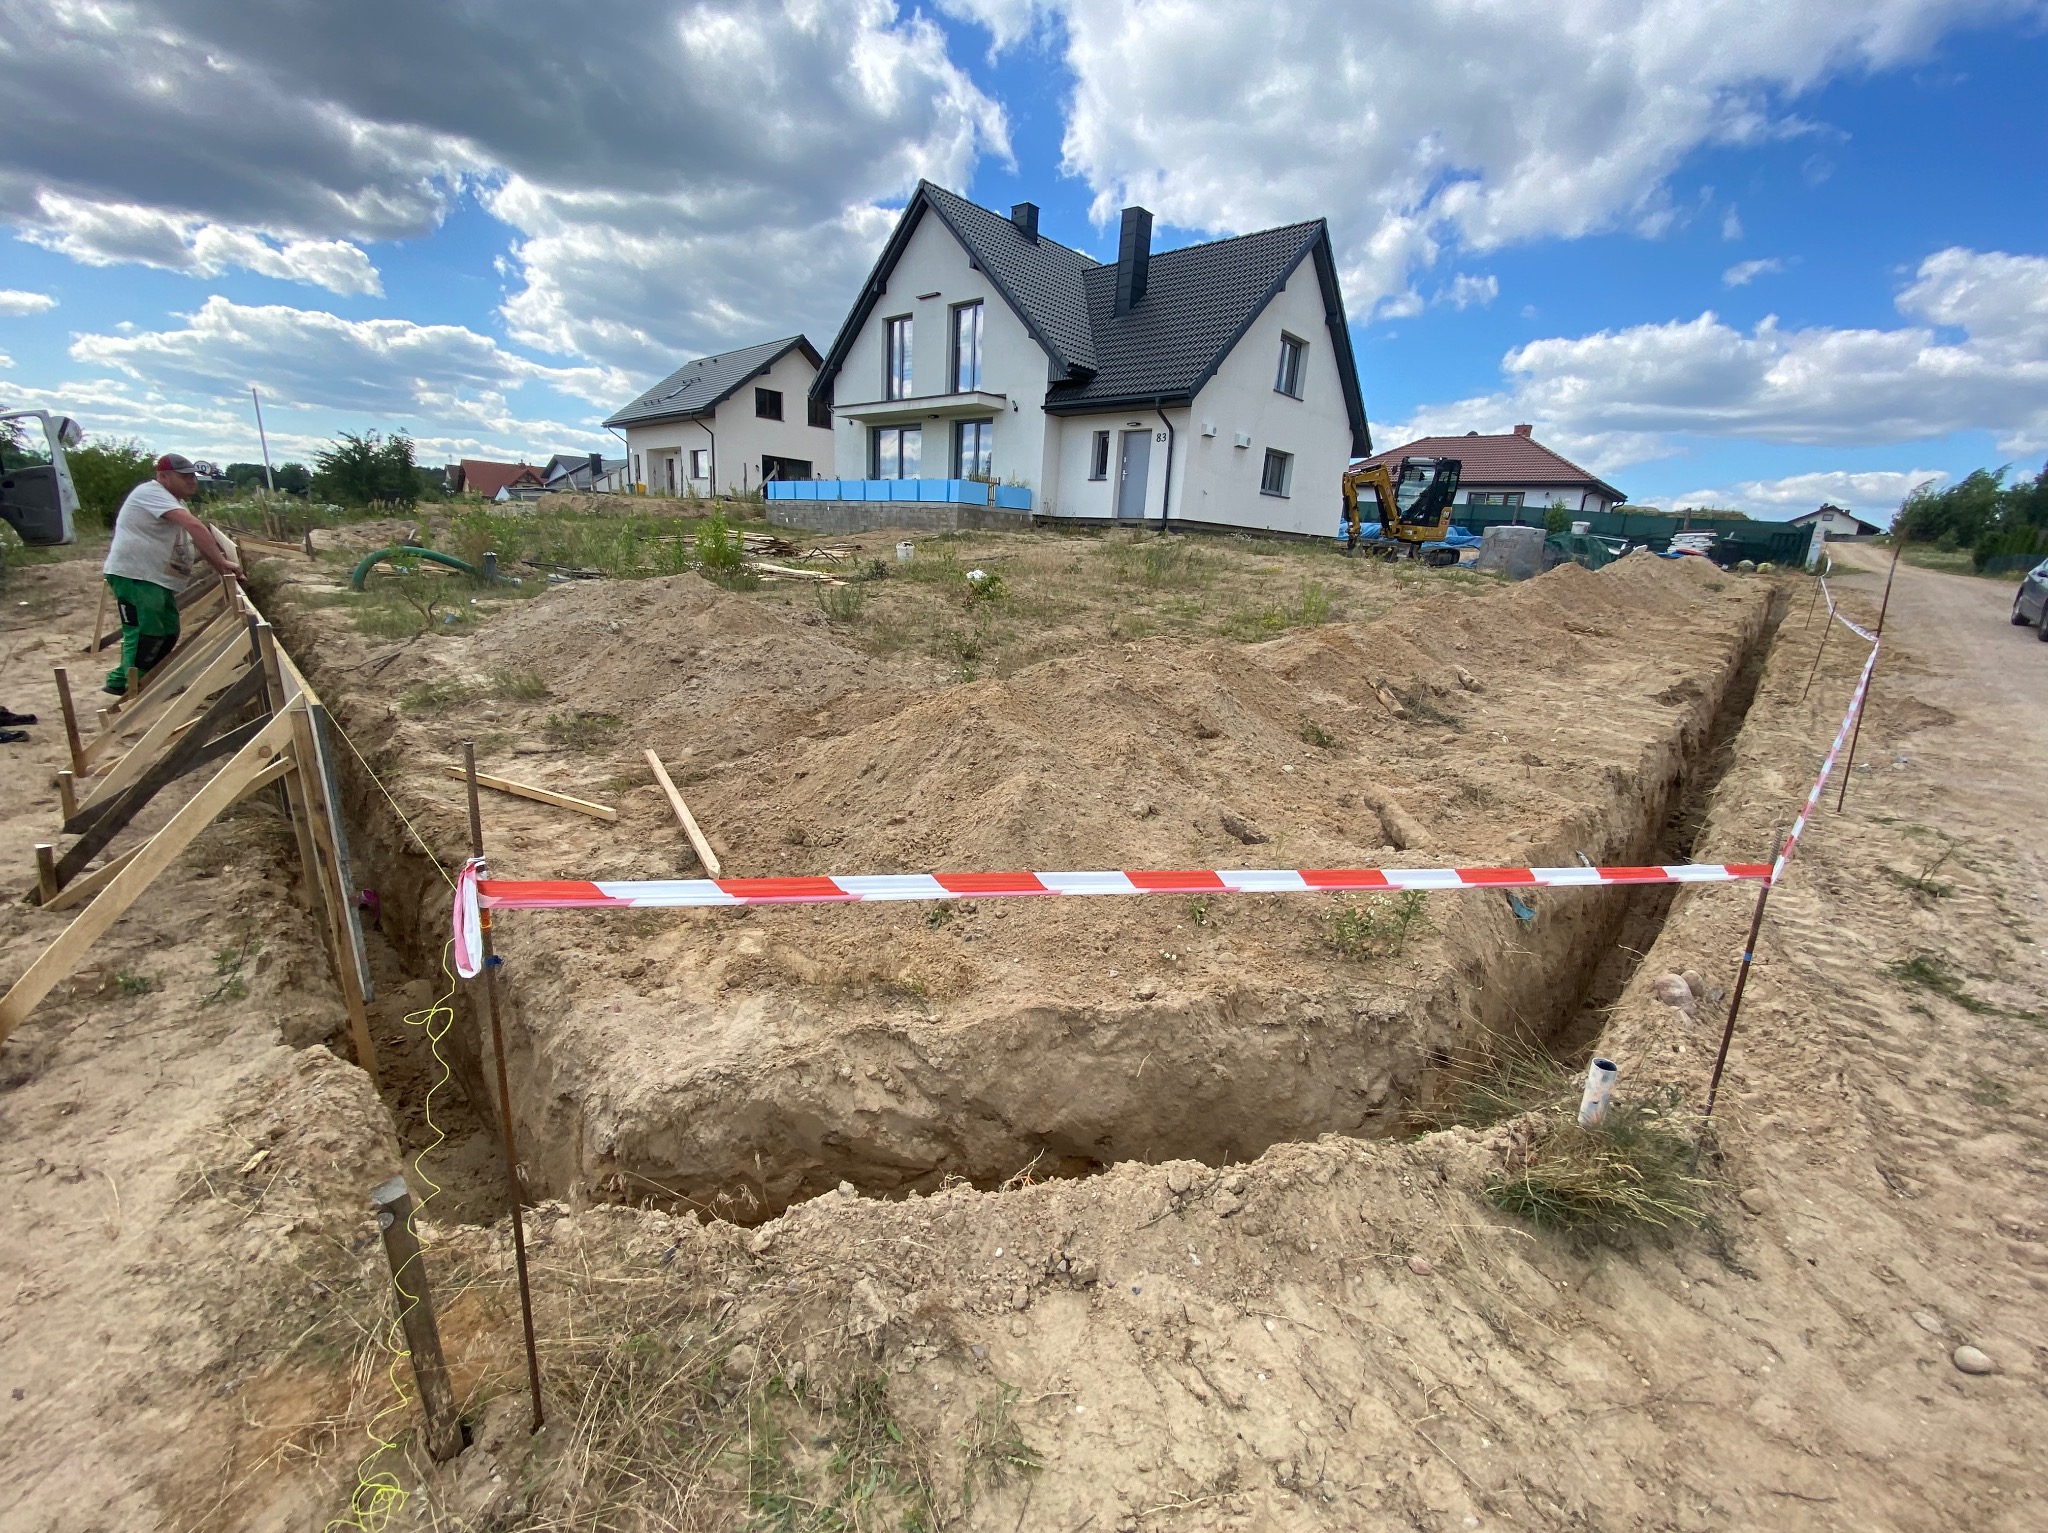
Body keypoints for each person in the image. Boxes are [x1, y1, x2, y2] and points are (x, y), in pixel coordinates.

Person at [102, 453, 242, 695]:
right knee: (146, 630)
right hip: (136, 573)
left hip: (153, 577)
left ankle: (145, 678)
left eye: (193, 476)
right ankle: (128, 682)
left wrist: (222, 568)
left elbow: (196, 537)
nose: (192, 481)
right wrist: (221, 562)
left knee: (168, 631)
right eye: (185, 476)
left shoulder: (174, 501)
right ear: (164, 477)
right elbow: (195, 526)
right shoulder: (151, 493)